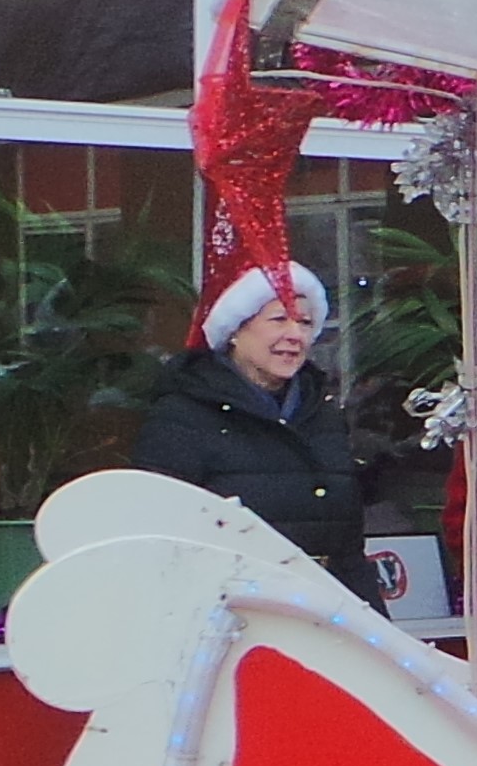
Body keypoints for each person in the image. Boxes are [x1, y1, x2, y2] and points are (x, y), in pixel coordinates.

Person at [134, 260, 387, 611]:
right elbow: (159, 541)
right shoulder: (183, 415)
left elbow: (347, 547)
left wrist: (378, 632)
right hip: (231, 620)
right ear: (236, 330)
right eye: (278, 319)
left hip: (325, 616)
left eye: (305, 322)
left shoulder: (321, 411)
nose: (294, 335)